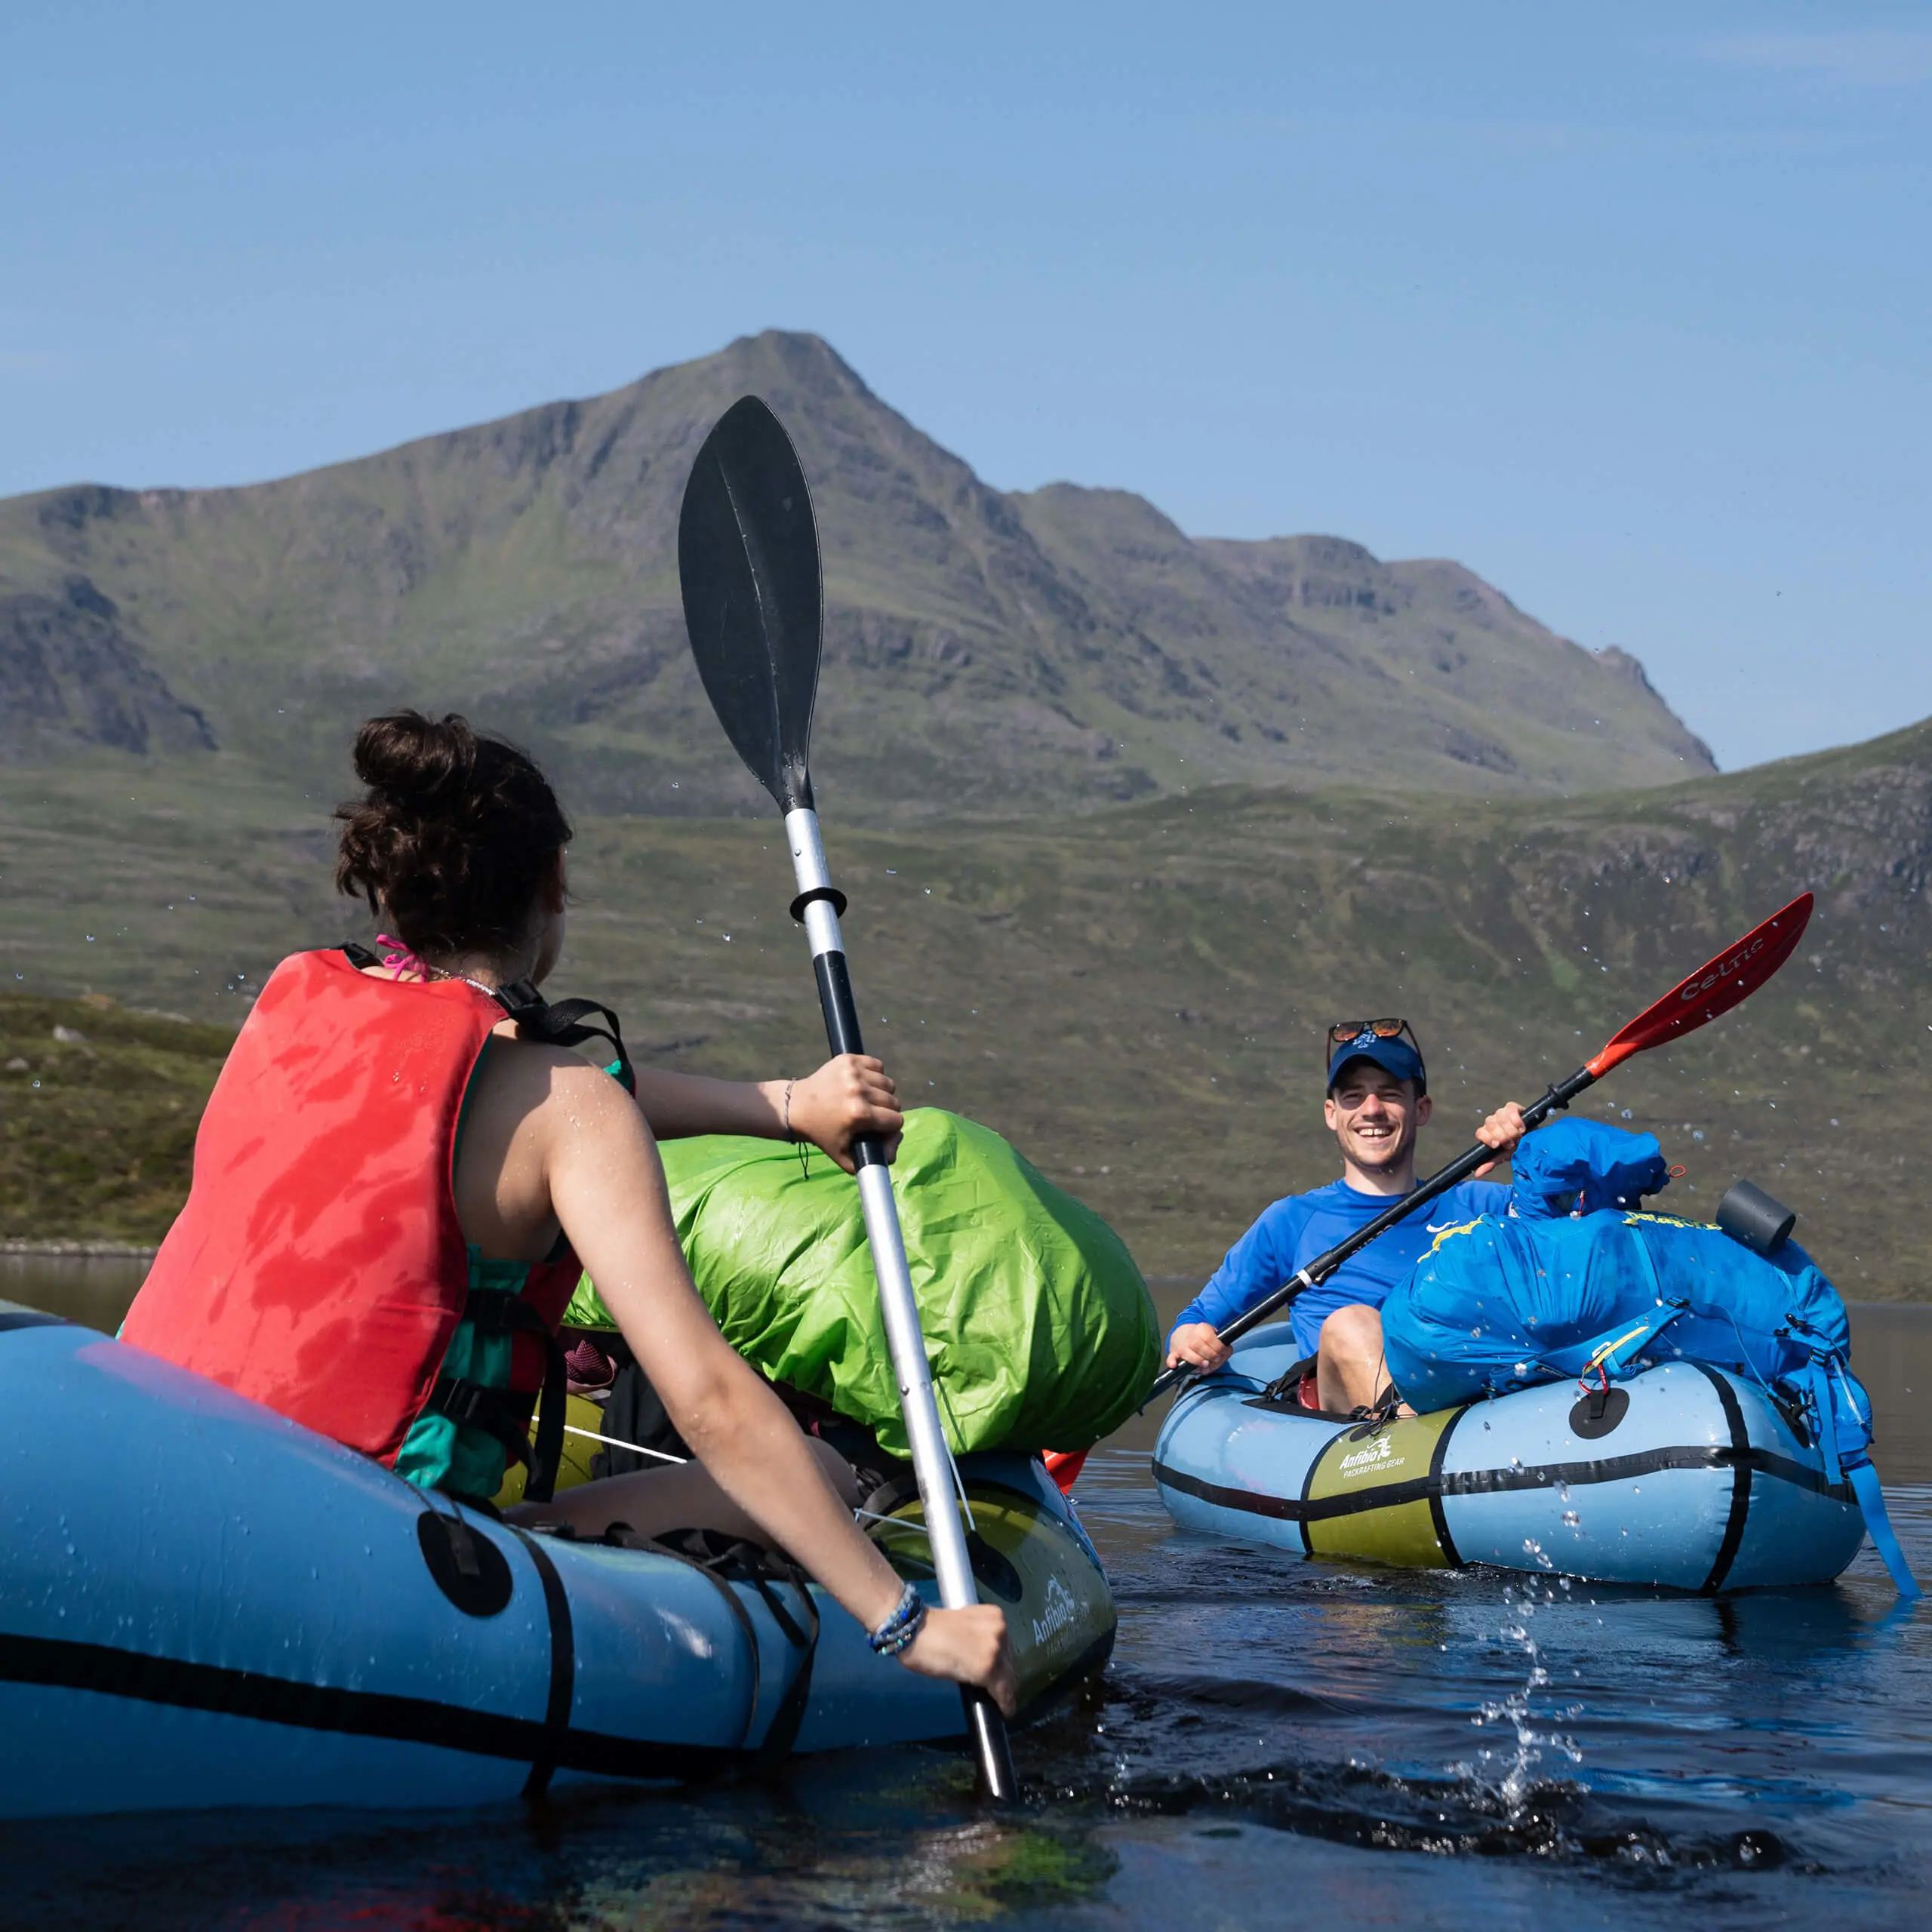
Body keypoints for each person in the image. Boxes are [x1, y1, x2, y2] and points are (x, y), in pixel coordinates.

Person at [121, 710, 1014, 1715]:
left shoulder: (297, 1007)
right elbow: (707, 1399)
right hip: (373, 1558)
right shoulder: (567, 1111)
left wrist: (782, 1104)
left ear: (393, 885)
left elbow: (535, 1092)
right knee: (812, 1468)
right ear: (553, 887)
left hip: (163, 1491)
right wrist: (909, 1625)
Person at [1164, 1019, 1526, 1414]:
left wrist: (1529, 1150)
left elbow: (1574, 1223)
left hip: (1476, 1395)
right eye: (1354, 1096)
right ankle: (1411, 1424)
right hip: (1360, 1423)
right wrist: (1190, 1340)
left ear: (1420, 1109)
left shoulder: (1485, 1205)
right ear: (1331, 1113)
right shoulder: (1290, 1221)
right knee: (1350, 1324)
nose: (1372, 1110)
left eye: (1389, 1094)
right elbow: (1197, 1320)